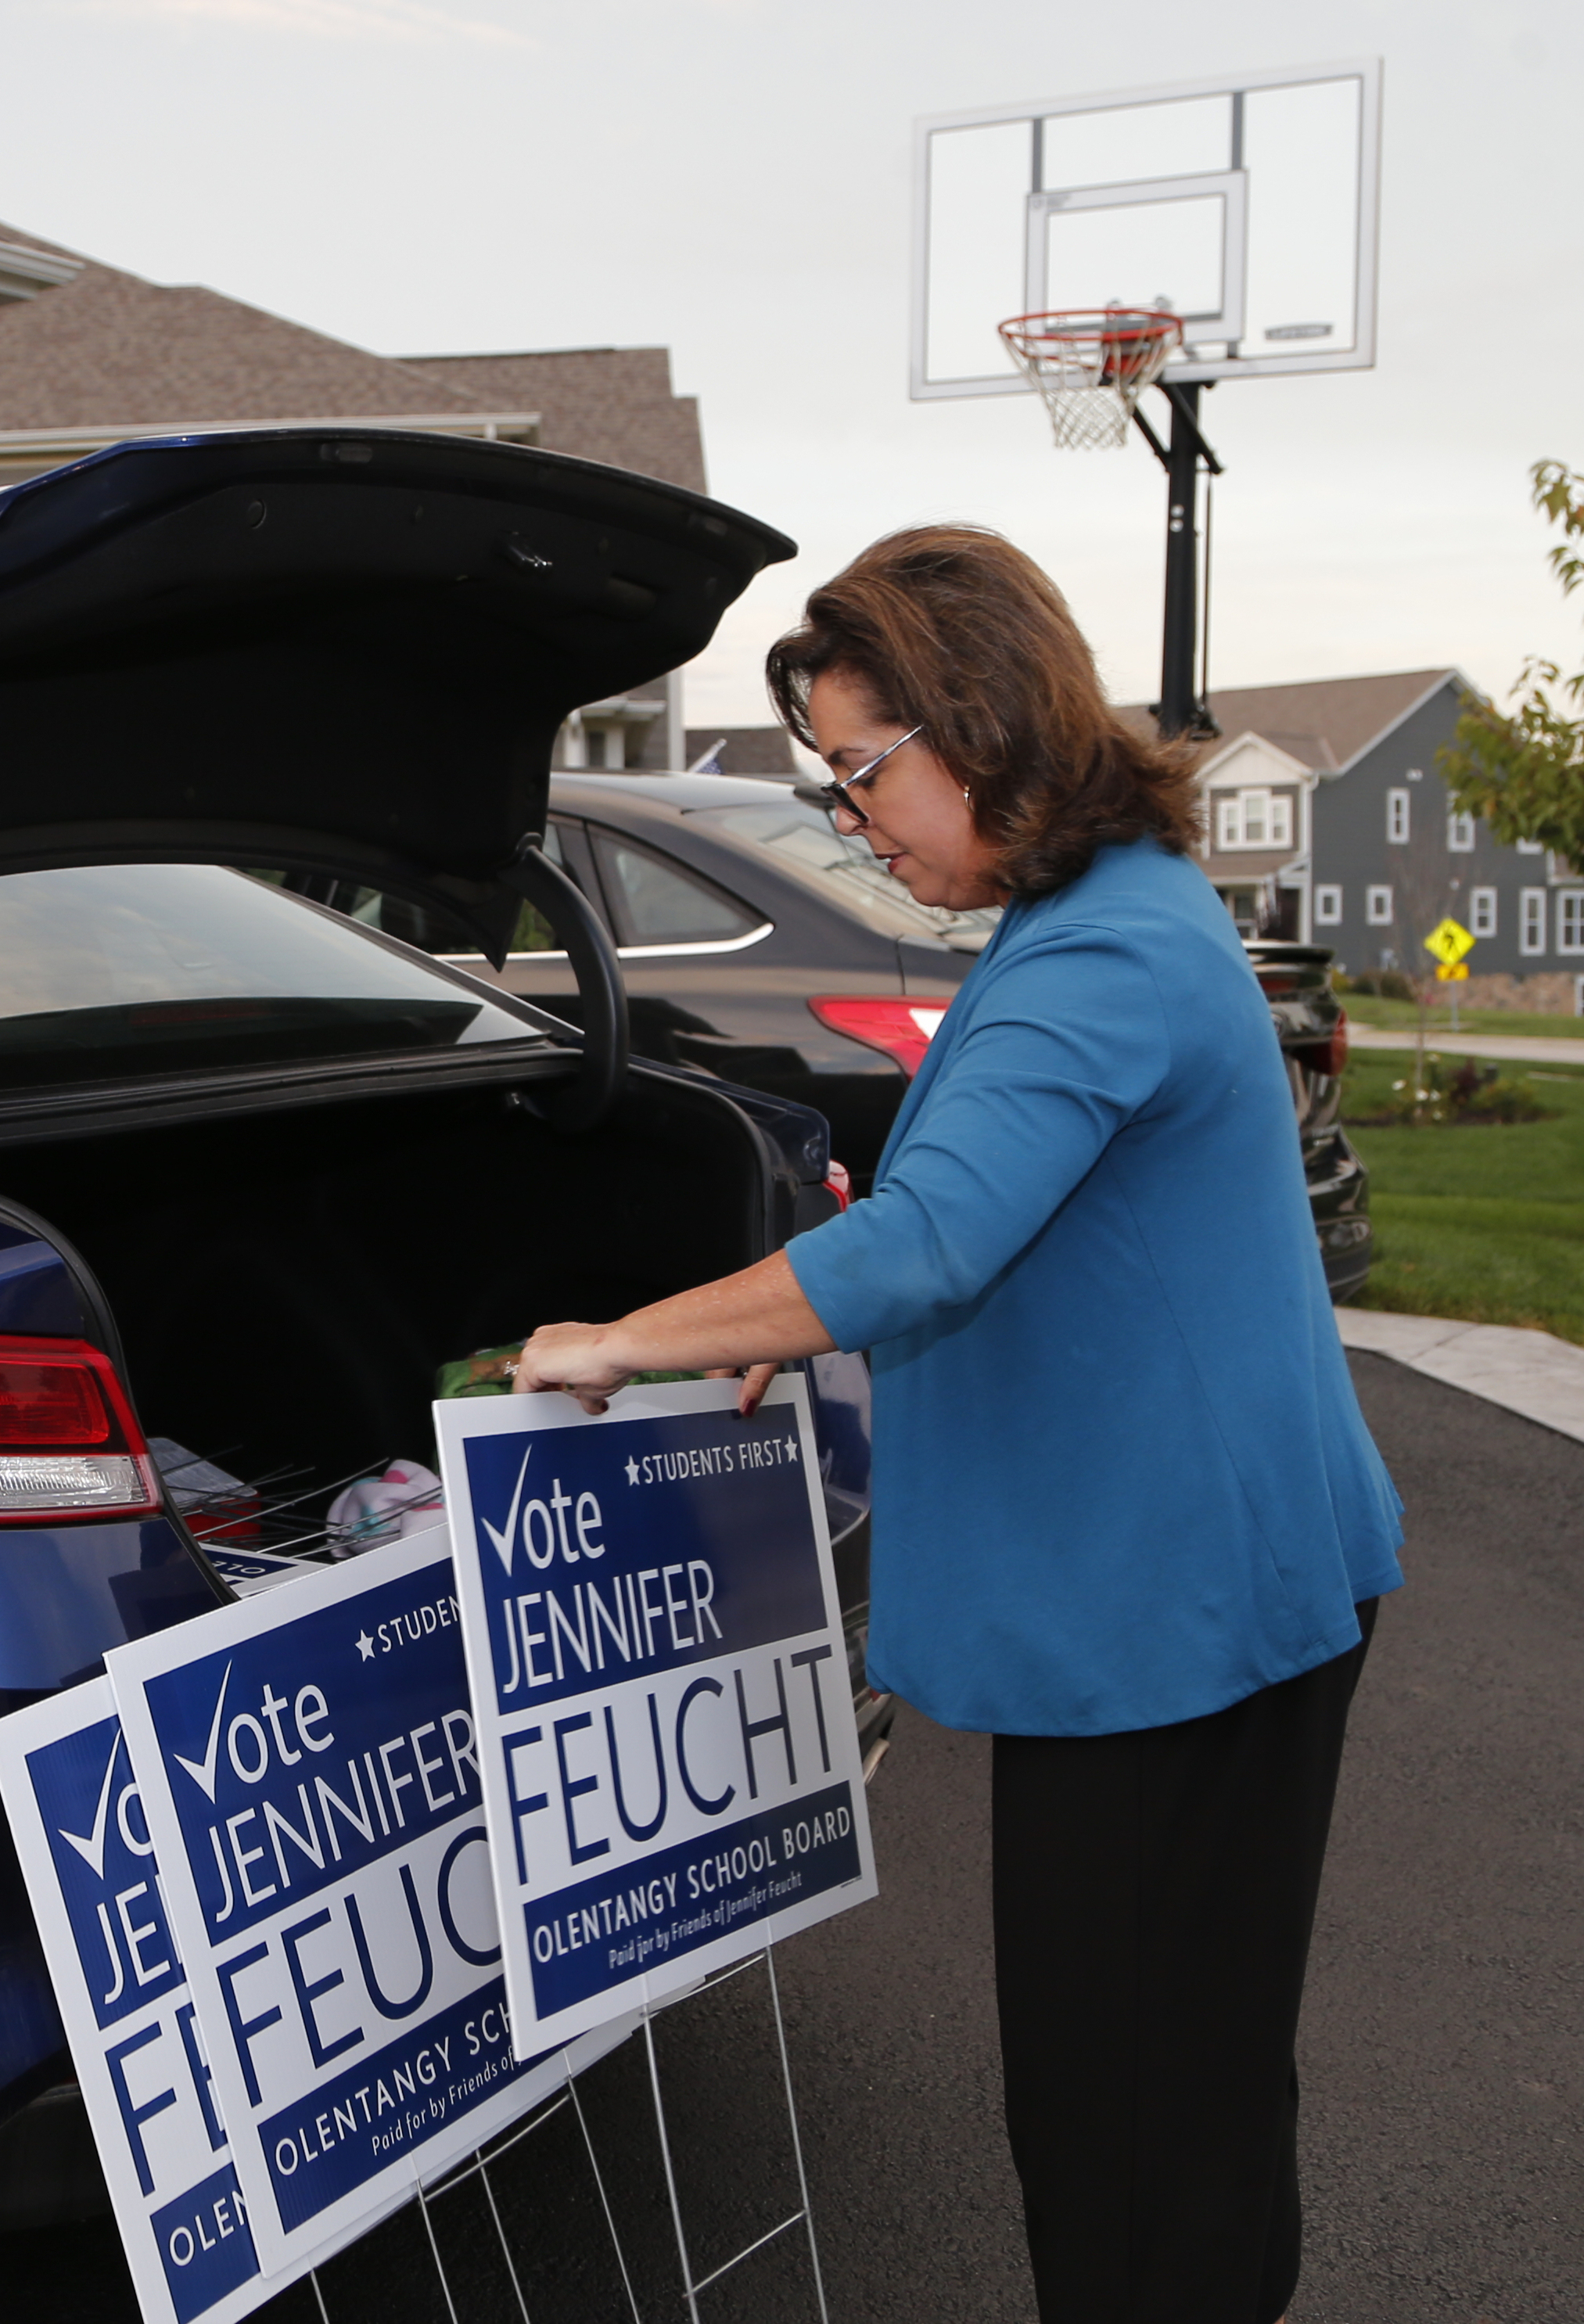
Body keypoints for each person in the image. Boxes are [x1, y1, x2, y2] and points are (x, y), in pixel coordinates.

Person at [512, 525, 1403, 2324]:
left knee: (1121, 2120)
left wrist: (623, 1341)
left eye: (859, 771)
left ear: (975, 716)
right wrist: (782, 1326)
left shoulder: (1095, 956)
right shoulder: (1107, 908)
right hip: (1210, 1584)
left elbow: (925, 1244)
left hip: (1175, 1620)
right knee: (1194, 2092)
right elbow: (981, 1216)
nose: (853, 820)